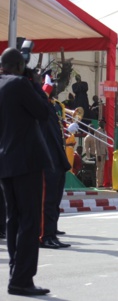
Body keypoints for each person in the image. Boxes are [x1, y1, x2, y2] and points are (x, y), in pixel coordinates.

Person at [0, 47, 51, 296]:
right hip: (27, 162)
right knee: (30, 222)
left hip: (5, 163)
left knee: (13, 220)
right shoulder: (21, 84)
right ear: (20, 66)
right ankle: (22, 279)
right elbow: (44, 112)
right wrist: (37, 84)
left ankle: (15, 273)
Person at [39, 76, 72, 249]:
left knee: (53, 202)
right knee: (47, 202)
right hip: (47, 161)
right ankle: (44, 236)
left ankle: (51, 234)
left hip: (57, 160)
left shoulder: (53, 109)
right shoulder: (41, 110)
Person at [95, 118, 108, 188]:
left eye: (103, 123)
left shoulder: (105, 132)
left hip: (104, 152)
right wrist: (98, 154)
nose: (102, 124)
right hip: (99, 153)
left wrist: (107, 152)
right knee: (99, 168)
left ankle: (101, 183)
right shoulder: (97, 131)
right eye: (100, 123)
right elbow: (96, 144)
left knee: (102, 169)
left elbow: (105, 143)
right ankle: (98, 184)